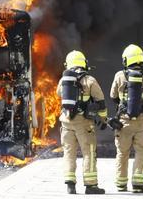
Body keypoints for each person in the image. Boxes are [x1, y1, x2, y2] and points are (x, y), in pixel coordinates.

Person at [110, 44, 143, 193]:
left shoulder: (119, 76)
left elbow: (113, 96)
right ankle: (138, 184)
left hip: (124, 122)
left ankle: (121, 184)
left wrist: (123, 106)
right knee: (142, 151)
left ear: (126, 60)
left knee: (122, 152)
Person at [57, 50, 107, 195]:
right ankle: (91, 186)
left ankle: (70, 185)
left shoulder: (63, 80)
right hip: (84, 123)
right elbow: (101, 101)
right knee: (89, 153)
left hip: (66, 122)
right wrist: (103, 119)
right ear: (84, 63)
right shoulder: (89, 80)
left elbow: (59, 94)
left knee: (68, 153)